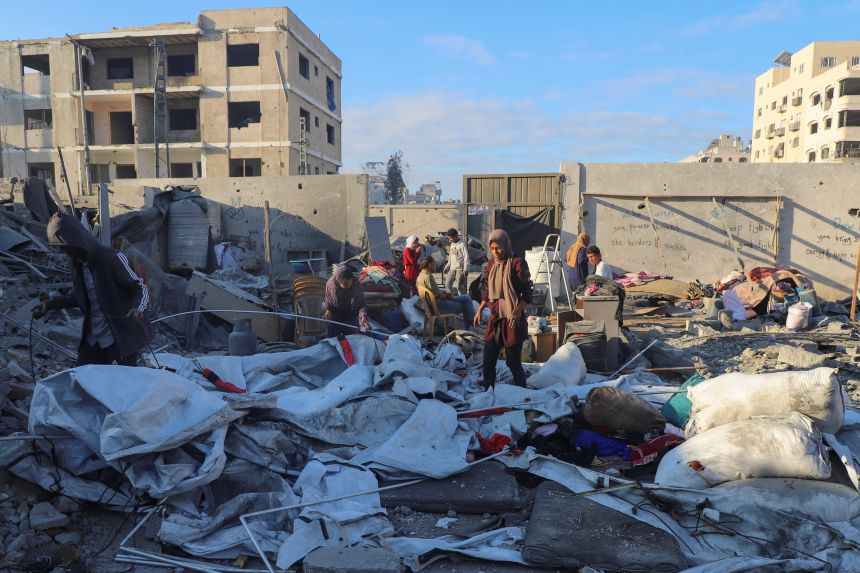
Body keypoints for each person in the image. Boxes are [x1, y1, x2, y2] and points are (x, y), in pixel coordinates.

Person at [32, 212, 152, 366]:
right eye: (60, 248)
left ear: (75, 240)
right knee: (83, 379)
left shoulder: (111, 258)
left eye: (65, 247)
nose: (64, 252)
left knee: (121, 384)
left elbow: (139, 287)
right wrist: (50, 305)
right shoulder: (76, 265)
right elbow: (80, 297)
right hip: (93, 338)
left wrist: (138, 308)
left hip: (118, 337)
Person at [473, 229, 532, 388]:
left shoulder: (517, 263)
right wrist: (480, 310)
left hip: (513, 321)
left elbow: (527, 294)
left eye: (498, 248)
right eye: (492, 248)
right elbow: (487, 292)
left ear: (506, 245)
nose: (495, 252)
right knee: (488, 361)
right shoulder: (491, 264)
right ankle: (488, 392)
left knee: (513, 363)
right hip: (495, 319)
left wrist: (517, 311)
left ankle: (522, 391)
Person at [417, 257, 474, 327]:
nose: (436, 265)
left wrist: (444, 293)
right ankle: (470, 325)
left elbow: (434, 291)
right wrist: (447, 295)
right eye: (434, 263)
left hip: (434, 304)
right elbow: (440, 296)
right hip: (439, 306)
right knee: (466, 305)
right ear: (429, 265)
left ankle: (471, 323)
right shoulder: (428, 277)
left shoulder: (421, 276)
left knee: (466, 297)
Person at [323, 266, 371, 337]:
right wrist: (328, 311)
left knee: (352, 339)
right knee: (334, 340)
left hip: (351, 315)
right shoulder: (331, 285)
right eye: (345, 285)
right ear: (339, 283)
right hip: (336, 316)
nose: (348, 286)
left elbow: (361, 303)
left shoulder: (356, 284)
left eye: (350, 282)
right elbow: (329, 301)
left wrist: (363, 316)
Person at [443, 228, 469, 296]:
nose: (449, 240)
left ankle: (462, 301)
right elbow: (450, 257)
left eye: (450, 238)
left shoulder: (462, 244)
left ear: (455, 236)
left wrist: (466, 269)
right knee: (447, 284)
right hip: (452, 269)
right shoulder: (452, 244)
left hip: (460, 270)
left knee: (460, 287)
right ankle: (451, 298)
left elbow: (466, 257)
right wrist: (447, 267)